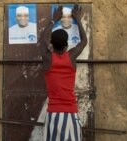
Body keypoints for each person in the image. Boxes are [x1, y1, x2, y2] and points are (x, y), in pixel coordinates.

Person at [38, 5, 87, 141]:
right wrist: (77, 19)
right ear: (66, 46)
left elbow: (42, 41)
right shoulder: (71, 57)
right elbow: (84, 41)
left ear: (51, 45)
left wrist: (54, 20)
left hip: (53, 114)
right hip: (70, 113)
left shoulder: (48, 58)